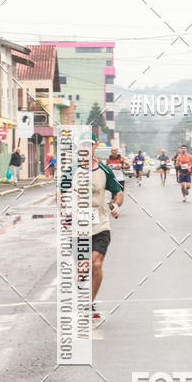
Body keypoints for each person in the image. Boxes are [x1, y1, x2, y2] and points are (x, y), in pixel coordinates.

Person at [62, 133, 124, 319]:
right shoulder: (71, 170)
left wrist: (115, 205)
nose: (86, 149)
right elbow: (61, 193)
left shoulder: (104, 170)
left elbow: (118, 192)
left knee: (96, 264)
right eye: (83, 146)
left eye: (89, 145)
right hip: (78, 226)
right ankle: (81, 295)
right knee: (83, 267)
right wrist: (64, 213)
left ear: (95, 146)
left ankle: (89, 302)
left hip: (100, 223)